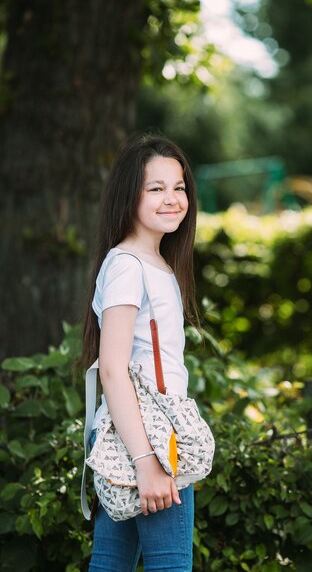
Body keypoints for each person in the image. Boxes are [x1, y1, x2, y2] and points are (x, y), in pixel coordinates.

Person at [80, 133, 200, 572]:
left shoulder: (155, 262)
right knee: (171, 564)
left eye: (179, 187)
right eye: (156, 188)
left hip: (136, 434)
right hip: (148, 439)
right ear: (129, 194)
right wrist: (148, 463)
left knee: (111, 563)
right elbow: (112, 370)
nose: (172, 199)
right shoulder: (128, 266)